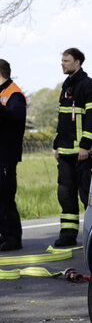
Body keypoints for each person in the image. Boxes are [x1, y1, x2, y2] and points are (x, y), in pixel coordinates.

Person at [53, 48, 92, 247]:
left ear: (78, 62)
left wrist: (85, 146)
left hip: (84, 153)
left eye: (66, 60)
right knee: (65, 195)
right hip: (65, 153)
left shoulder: (89, 86)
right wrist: (57, 146)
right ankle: (68, 235)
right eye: (62, 60)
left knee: (87, 195)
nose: (62, 64)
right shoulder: (67, 87)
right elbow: (63, 121)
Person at [0, 59, 27, 251]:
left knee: (6, 197)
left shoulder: (13, 93)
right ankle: (4, 235)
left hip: (7, 153)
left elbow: (17, 117)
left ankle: (13, 238)